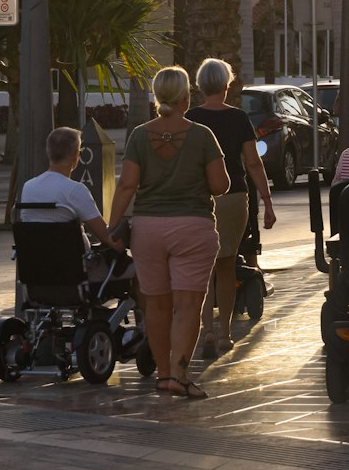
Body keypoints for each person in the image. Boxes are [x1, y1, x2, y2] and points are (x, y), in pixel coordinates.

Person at [108, 65, 230, 399]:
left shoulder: (138, 136)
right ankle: (180, 374)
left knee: (156, 306)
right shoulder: (202, 135)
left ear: (158, 95)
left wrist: (111, 226)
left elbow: (126, 185)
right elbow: (221, 185)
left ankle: (163, 376)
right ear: (186, 96)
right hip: (193, 227)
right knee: (188, 305)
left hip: (147, 229)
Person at [188, 57, 276, 358]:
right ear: (227, 85)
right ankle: (224, 333)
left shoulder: (190, 118)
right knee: (226, 265)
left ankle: (206, 331)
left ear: (200, 86)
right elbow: (253, 162)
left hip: (199, 197)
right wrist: (266, 200)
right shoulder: (239, 118)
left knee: (203, 268)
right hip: (234, 195)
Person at [20, 126, 119, 248]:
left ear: (48, 152)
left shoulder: (28, 187)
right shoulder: (75, 190)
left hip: (35, 263)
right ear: (76, 156)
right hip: (73, 263)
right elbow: (104, 235)